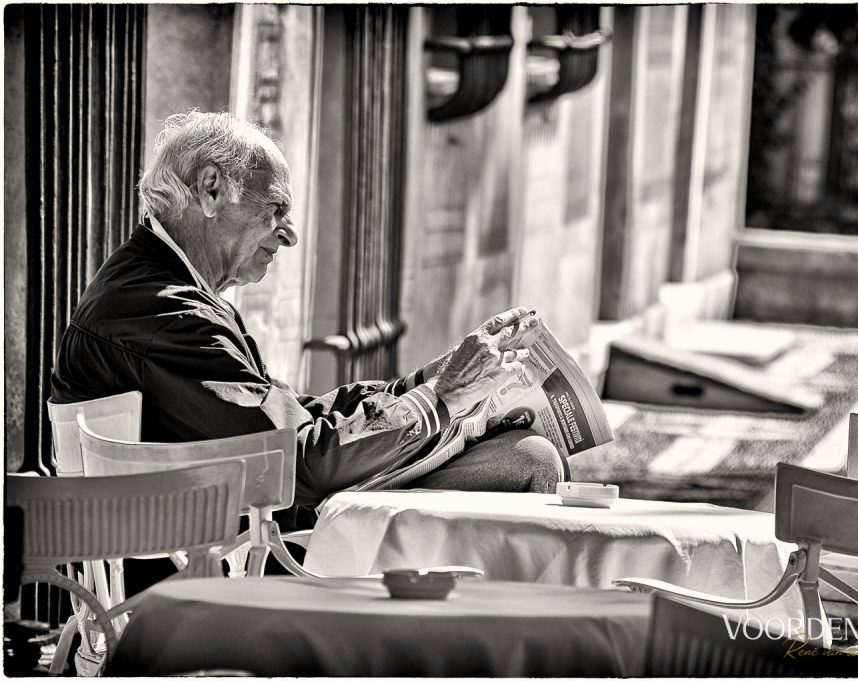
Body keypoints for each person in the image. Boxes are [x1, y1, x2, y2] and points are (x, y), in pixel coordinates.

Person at [50, 111, 569, 525]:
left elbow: (290, 414)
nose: (289, 233)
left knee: (519, 453)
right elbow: (304, 461)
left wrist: (429, 380)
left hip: (233, 537)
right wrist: (440, 399)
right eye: (274, 209)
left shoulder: (156, 292)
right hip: (226, 562)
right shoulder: (163, 310)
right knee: (526, 460)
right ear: (210, 190)